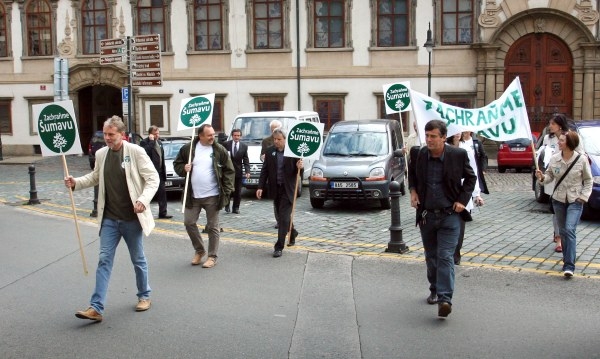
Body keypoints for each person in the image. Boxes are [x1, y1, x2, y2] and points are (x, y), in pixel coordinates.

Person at [64, 115, 159, 322]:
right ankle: (96, 307)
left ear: (121, 135)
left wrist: (143, 200)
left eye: (111, 134)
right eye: (105, 134)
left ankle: (144, 296)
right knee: (104, 260)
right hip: (109, 218)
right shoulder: (101, 154)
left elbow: (153, 178)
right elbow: (95, 177)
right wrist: (75, 182)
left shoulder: (135, 151)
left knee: (138, 259)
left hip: (131, 218)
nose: (107, 138)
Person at [408, 120, 477, 318]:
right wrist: (413, 191)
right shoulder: (419, 154)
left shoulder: (457, 155)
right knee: (431, 257)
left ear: (443, 137)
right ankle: (434, 289)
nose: (428, 140)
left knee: (445, 256)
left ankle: (445, 298)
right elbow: (412, 174)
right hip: (427, 215)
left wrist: (463, 200)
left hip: (450, 215)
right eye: (427, 135)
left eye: (433, 136)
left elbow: (471, 178)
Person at [173, 124, 235, 268]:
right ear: (200, 136)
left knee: (213, 227)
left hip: (213, 195)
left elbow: (229, 171)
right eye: (209, 135)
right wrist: (184, 168)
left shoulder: (219, 149)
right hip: (193, 195)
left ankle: (212, 256)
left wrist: (226, 191)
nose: (212, 137)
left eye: (213, 134)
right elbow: (177, 164)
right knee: (189, 223)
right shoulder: (188, 149)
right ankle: (200, 251)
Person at [536, 131, 592, 278]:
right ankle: (567, 260)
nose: (558, 142)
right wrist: (542, 177)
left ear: (569, 143)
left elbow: (588, 180)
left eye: (561, 140)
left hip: (575, 200)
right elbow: (549, 177)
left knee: (569, 229)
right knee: (563, 232)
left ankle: (569, 265)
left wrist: (584, 196)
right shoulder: (555, 159)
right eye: (559, 140)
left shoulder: (581, 160)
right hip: (558, 200)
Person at [256, 128, 303, 258]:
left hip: (288, 190)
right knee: (283, 216)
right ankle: (292, 232)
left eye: (279, 140)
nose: (276, 142)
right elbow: (264, 170)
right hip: (275, 189)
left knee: (282, 218)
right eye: (275, 139)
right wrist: (260, 187)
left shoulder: (293, 152)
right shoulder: (270, 151)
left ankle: (279, 247)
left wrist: (300, 167)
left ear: (285, 140)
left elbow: (299, 172)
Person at [536, 114, 572, 252]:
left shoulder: (570, 137)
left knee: (566, 210)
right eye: (550, 123)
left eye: (552, 124)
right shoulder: (547, 138)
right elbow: (543, 155)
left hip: (567, 179)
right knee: (557, 211)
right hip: (553, 179)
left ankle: (563, 234)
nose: (550, 126)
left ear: (560, 125)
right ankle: (559, 239)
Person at [140, 125, 172, 219]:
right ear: (151, 134)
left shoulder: (159, 143)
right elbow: (145, 152)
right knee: (148, 193)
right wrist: (151, 141)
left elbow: (161, 157)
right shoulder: (144, 142)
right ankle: (144, 213)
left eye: (158, 133)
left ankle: (163, 213)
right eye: (155, 134)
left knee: (162, 193)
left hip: (160, 172)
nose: (157, 135)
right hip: (150, 172)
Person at [260, 119, 283, 228]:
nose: (276, 141)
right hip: (274, 179)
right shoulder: (267, 142)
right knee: (277, 203)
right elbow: (264, 166)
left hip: (286, 183)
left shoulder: (287, 144)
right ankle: (280, 221)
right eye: (273, 129)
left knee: (286, 205)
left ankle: (286, 223)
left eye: (277, 129)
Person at [223, 128, 250, 214]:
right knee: (228, 189)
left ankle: (236, 208)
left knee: (238, 191)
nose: (236, 137)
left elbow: (245, 159)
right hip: (228, 172)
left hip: (238, 172)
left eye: (238, 135)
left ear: (240, 136)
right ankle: (226, 205)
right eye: (235, 135)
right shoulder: (226, 144)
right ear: (232, 136)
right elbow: (222, 157)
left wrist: (247, 171)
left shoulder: (244, 146)